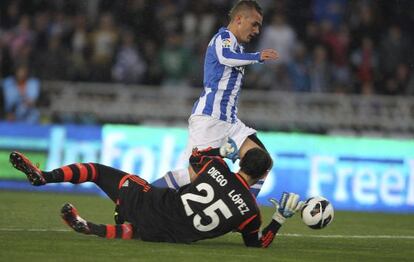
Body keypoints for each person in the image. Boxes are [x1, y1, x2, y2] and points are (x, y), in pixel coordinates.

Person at [9, 143, 303, 247]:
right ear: (263, 176)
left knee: (98, 171)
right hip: (169, 235)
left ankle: (45, 177)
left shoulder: (217, 168)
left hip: (152, 203)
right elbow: (256, 245)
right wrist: (278, 219)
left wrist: (219, 153)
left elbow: (196, 156)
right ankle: (92, 228)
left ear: (241, 162)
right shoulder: (251, 212)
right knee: (138, 230)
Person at [152, 0, 279, 197]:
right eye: (254, 24)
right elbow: (225, 57)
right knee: (194, 178)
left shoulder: (239, 48)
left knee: (262, 162)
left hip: (231, 122)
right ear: (238, 19)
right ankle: (140, 196)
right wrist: (258, 56)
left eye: (259, 26)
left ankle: (244, 209)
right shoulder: (224, 38)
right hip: (210, 119)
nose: (257, 31)